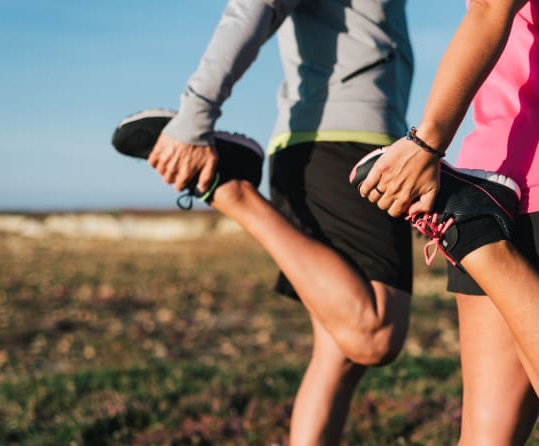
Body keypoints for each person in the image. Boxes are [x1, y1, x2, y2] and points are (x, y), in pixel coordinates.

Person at [354, 0, 539, 444]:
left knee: (486, 438)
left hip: (489, 169)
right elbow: (490, 10)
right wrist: (425, 143)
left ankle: (472, 227)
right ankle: (474, 232)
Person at [140, 0, 414, 443]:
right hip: (339, 143)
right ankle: (233, 192)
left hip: (356, 139)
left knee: (339, 357)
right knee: (373, 333)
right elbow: (253, 6)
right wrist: (194, 118)